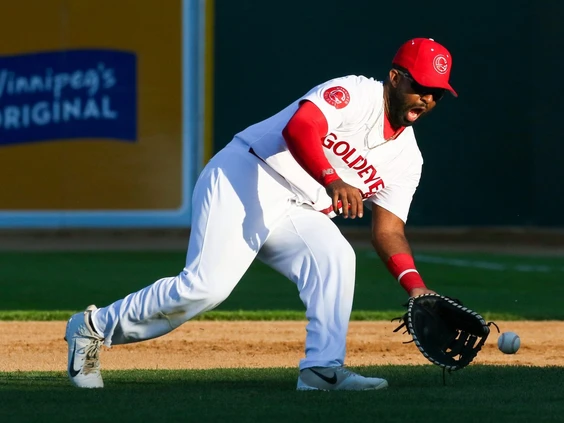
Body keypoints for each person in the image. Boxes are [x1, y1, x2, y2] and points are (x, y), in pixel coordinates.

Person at [65, 37, 457, 390]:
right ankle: (93, 327)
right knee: (205, 287)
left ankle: (321, 370)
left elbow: (388, 230)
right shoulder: (355, 93)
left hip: (298, 207)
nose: (427, 99)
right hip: (248, 173)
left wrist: (415, 286)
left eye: (437, 93)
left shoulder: (407, 159)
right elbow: (300, 128)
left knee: (336, 257)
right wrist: (332, 179)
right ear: (394, 77)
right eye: (420, 86)